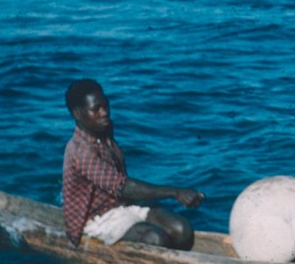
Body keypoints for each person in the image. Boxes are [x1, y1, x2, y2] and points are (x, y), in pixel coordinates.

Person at [62, 79, 205, 250]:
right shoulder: (81, 150)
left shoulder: (103, 130)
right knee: (156, 239)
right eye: (96, 109)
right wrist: (175, 192)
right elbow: (123, 186)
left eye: (105, 106)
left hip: (122, 204)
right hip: (97, 219)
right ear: (78, 114)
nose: (104, 112)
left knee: (182, 230)